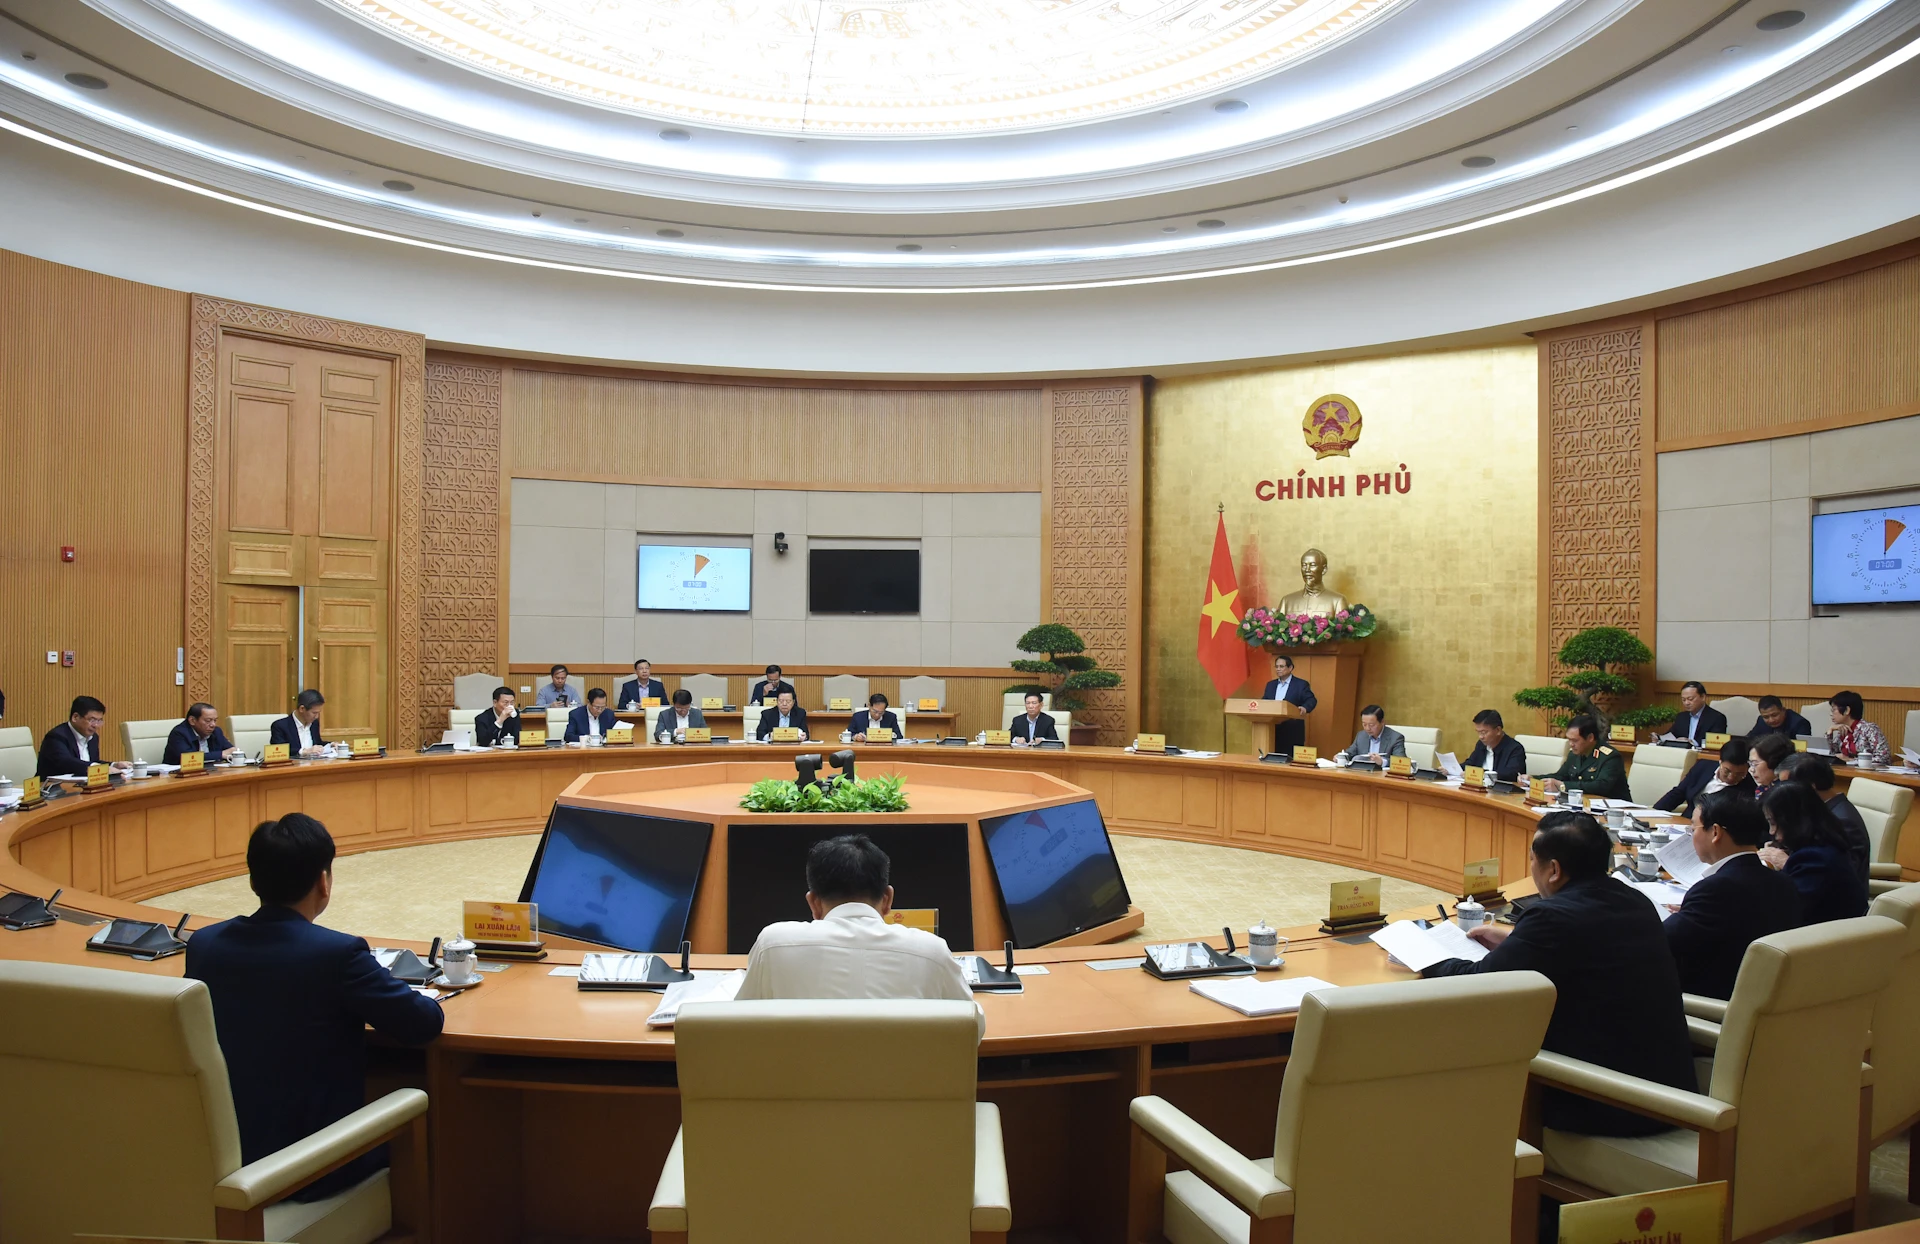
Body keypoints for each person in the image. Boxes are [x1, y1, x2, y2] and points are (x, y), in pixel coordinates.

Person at [185, 814, 443, 1202]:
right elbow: (423, 1024)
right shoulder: (337, 954)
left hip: (224, 1158)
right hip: (311, 1169)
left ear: (253, 881)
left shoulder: (204, 944)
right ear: (324, 882)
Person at [1424, 811, 1695, 1135]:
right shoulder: (1635, 900)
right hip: (1668, 1092)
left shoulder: (1552, 918)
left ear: (1553, 870)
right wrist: (1517, 941)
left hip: (1608, 1102)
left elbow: (1479, 983)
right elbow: (1584, 950)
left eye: (1532, 860)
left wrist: (1425, 954)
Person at [736, 834, 980, 1038]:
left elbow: (739, 1026)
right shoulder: (932, 951)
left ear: (813, 902)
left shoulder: (773, 944)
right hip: (901, 1094)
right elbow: (972, 1030)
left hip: (802, 1094)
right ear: (888, 899)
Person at [1661, 791, 1802, 1000]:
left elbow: (1660, 941)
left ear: (1715, 832)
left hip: (1709, 1002)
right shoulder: (1784, 882)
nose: (1691, 836)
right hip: (1763, 997)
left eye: (1693, 828)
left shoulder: (1715, 890)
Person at [1759, 782, 1868, 925]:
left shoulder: (1814, 859)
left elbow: (1787, 911)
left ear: (1792, 821)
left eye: (1773, 823)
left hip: (1827, 940)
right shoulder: (1825, 842)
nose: (1771, 832)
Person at [1776, 752, 1871, 882]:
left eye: (1787, 786)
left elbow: (1842, 876)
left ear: (1810, 786)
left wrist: (1787, 862)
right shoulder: (1818, 809)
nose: (1783, 792)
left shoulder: (1843, 822)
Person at [1653, 736, 1754, 815]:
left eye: (1740, 774)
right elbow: (1678, 793)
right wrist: (1654, 813)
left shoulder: (1749, 787)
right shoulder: (1703, 767)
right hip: (1686, 824)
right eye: (1727, 771)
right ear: (1720, 762)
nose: (1731, 777)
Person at [1540, 716, 1628, 800]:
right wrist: (1532, 779)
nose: (1571, 744)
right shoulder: (1574, 754)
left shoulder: (1610, 757)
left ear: (1590, 738)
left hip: (1616, 809)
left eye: (1575, 740)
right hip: (1585, 805)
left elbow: (1601, 786)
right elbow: (1560, 776)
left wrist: (1563, 786)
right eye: (1569, 739)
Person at [37, 695, 124, 778]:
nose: (96, 725)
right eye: (92, 720)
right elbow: (66, 762)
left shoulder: (93, 738)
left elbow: (91, 762)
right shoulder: (56, 737)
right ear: (75, 717)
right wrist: (100, 769)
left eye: (99, 721)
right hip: (52, 790)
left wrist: (114, 765)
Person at [1261, 653, 1316, 756]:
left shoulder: (1300, 684)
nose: (1278, 669)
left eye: (1281, 666)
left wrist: (1304, 708)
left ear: (1290, 668)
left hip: (1292, 731)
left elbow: (1311, 700)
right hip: (1272, 730)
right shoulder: (1270, 685)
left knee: (1290, 761)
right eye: (1276, 666)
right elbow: (1265, 702)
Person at [1825, 690, 1890, 767]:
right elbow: (1831, 755)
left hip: (1869, 773)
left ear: (1847, 710)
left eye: (1833, 710)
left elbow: (1884, 758)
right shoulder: (1843, 730)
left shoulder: (1869, 729)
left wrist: (1851, 760)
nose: (1831, 714)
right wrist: (1830, 732)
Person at [164, 702, 240, 765]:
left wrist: (235, 753)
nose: (213, 725)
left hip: (211, 773)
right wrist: (220, 754)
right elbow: (188, 758)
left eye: (215, 720)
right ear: (192, 721)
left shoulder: (216, 732)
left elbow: (230, 751)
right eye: (208, 720)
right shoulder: (179, 733)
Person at [1463, 709, 1527, 783]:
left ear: (1498, 730)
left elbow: (1511, 774)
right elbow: (1470, 763)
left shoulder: (1515, 748)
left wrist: (1481, 773)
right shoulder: (1481, 744)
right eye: (1478, 732)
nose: (1480, 737)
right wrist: (1451, 768)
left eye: (1483, 732)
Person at [1666, 681, 1727, 746]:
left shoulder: (1717, 718)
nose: (1686, 703)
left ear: (1703, 697)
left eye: (1690, 699)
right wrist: (1659, 738)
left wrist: (1691, 743)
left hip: (1703, 755)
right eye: (1683, 700)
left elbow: (1716, 743)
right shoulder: (1681, 717)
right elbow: (1671, 735)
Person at [1339, 705, 1405, 766]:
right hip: (1362, 773)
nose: (1367, 728)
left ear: (1382, 722)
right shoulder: (1361, 735)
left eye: (1371, 725)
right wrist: (1341, 757)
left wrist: (1382, 761)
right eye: (1364, 724)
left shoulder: (1396, 738)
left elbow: (1401, 762)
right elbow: (1349, 753)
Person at [270, 689, 326, 756]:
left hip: (313, 764)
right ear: (302, 709)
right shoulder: (280, 726)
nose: (316, 716)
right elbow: (278, 751)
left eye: (318, 713)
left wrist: (331, 745)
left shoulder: (314, 723)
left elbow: (317, 744)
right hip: (293, 765)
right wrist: (303, 752)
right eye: (314, 713)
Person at [1747, 695, 1812, 741]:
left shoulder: (1800, 723)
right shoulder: (1761, 721)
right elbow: (1749, 740)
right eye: (1766, 717)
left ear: (1783, 710)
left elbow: (1804, 750)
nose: (1771, 720)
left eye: (1774, 715)